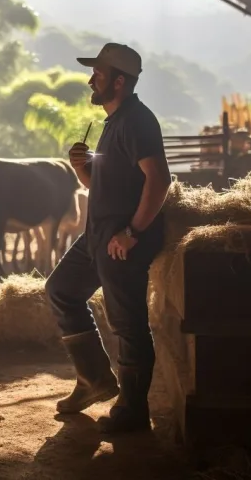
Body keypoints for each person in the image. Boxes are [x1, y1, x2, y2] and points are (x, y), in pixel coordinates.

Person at [44, 42, 171, 434]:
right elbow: (106, 185)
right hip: (98, 235)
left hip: (122, 241)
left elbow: (160, 180)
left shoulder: (138, 121)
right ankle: (94, 380)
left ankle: (133, 412)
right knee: (61, 290)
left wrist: (132, 233)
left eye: (97, 74)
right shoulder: (115, 122)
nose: (90, 80)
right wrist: (81, 170)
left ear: (119, 81)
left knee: (127, 323)